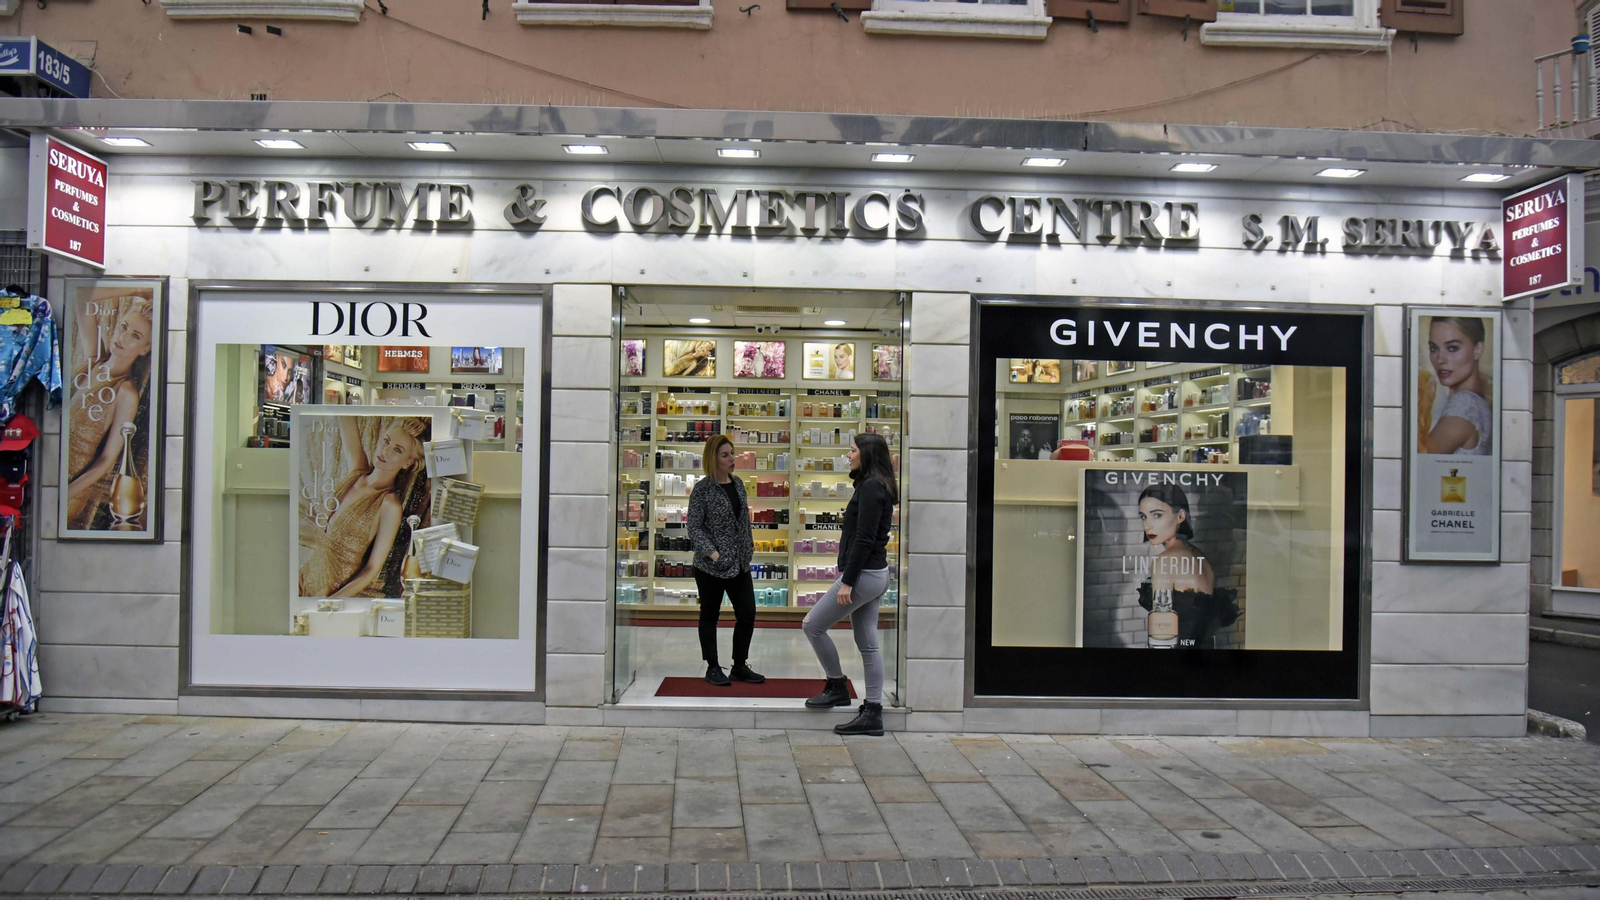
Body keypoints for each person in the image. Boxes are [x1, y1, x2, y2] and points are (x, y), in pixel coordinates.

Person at [803, 432, 897, 735]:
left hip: (864, 576)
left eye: (853, 450)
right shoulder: (877, 484)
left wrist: (847, 581)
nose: (848, 454)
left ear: (866, 454)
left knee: (812, 625)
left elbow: (864, 539)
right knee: (869, 645)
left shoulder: (870, 488)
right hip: (875, 575)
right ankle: (872, 712)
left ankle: (836, 685)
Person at [299, 416, 430, 598]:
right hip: (308, 572)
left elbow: (372, 568)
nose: (385, 450)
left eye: (397, 450)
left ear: (408, 462)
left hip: (334, 588)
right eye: (386, 440)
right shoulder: (358, 472)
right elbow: (346, 419)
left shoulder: (389, 505)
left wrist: (333, 601)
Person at [65, 295, 155, 529]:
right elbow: (82, 296)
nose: (123, 337)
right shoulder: (95, 361)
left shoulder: (126, 393)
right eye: (124, 326)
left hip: (72, 486)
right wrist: (138, 288)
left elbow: (107, 459)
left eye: (135, 336)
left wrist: (64, 494)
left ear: (145, 348)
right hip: (50, 471)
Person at [686, 434, 765, 686]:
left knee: (747, 614)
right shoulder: (703, 489)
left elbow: (743, 521)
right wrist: (714, 554)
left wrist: (748, 547)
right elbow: (694, 528)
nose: (732, 459)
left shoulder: (739, 483)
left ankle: (739, 665)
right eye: (725, 455)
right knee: (710, 615)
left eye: (732, 453)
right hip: (711, 566)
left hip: (739, 563)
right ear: (714, 459)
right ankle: (712, 667)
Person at [1132, 483, 1239, 648]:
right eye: (1143, 517)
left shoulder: (1164, 561)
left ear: (1181, 516)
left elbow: (1162, 636)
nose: (1147, 525)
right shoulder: (1198, 555)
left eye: (1157, 515)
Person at [1420, 316, 1493, 456]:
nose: (1440, 359)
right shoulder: (1477, 402)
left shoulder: (1464, 405)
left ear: (1478, 350)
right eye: (1434, 348)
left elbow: (1421, 463)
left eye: (1452, 348)